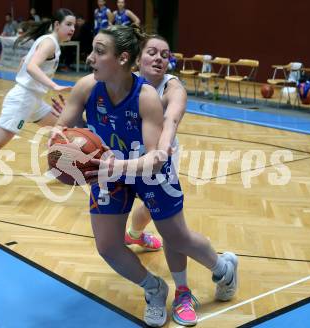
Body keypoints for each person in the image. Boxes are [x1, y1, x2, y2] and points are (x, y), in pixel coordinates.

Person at [54, 25, 238, 327]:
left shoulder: (151, 96)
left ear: (123, 58)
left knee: (177, 237)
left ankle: (223, 268)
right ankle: (154, 288)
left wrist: (115, 166)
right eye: (152, 52)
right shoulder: (86, 87)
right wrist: (62, 148)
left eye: (99, 51)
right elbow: (60, 132)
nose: (89, 58)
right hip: (109, 170)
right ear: (138, 58)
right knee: (108, 246)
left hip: (147, 169)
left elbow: (155, 158)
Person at [0, 8, 75, 207]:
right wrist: (53, 85)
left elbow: (24, 62)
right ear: (57, 25)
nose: (72, 29)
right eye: (68, 24)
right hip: (22, 101)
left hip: (33, 100)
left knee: (62, 129)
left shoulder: (49, 42)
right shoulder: (49, 42)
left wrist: (30, 83)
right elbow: (31, 66)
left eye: (74, 25)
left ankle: (57, 168)